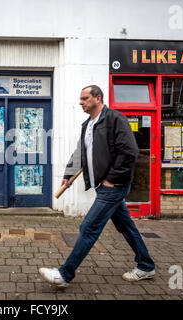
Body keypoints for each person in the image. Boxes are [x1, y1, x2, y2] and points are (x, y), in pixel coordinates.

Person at [39, 85, 155, 288]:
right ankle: (146, 265)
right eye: (80, 98)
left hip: (113, 186)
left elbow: (129, 151)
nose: (80, 102)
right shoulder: (87, 125)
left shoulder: (115, 119)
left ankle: (65, 275)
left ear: (98, 98)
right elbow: (80, 153)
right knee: (126, 226)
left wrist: (111, 178)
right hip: (103, 187)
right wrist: (68, 174)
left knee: (89, 227)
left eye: (85, 98)